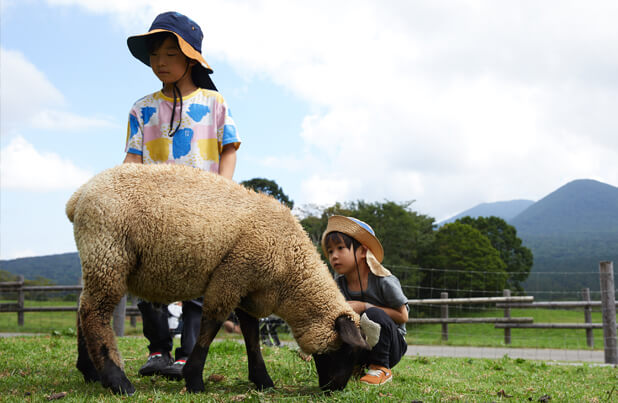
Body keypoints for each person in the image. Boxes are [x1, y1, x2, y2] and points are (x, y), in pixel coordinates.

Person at [123, 11, 241, 380]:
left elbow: (229, 149)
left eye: (170, 53)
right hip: (154, 208)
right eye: (155, 54)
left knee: (198, 283)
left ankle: (188, 355)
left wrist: (224, 192)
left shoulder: (214, 103)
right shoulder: (142, 108)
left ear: (191, 57)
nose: (160, 62)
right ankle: (157, 351)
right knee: (148, 280)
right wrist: (124, 194)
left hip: (203, 207)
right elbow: (132, 157)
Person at [321, 216, 409, 385]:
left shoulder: (383, 280)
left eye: (340, 248)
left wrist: (364, 306)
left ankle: (381, 367)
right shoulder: (338, 285)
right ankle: (356, 366)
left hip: (391, 345)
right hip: (360, 342)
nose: (334, 256)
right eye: (330, 251)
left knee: (372, 313)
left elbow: (403, 316)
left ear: (362, 252)